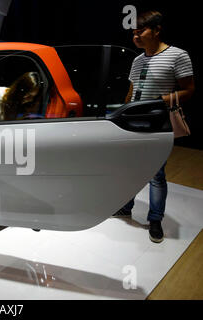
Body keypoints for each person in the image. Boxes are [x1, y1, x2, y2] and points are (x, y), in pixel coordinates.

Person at [112, 10, 195, 243]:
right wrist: (123, 114)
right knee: (129, 169)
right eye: (133, 33)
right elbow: (131, 91)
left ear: (157, 30)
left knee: (155, 175)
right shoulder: (137, 60)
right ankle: (126, 206)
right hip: (133, 123)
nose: (136, 37)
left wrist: (160, 101)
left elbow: (188, 90)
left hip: (158, 123)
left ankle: (155, 219)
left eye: (141, 32)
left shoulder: (178, 55)